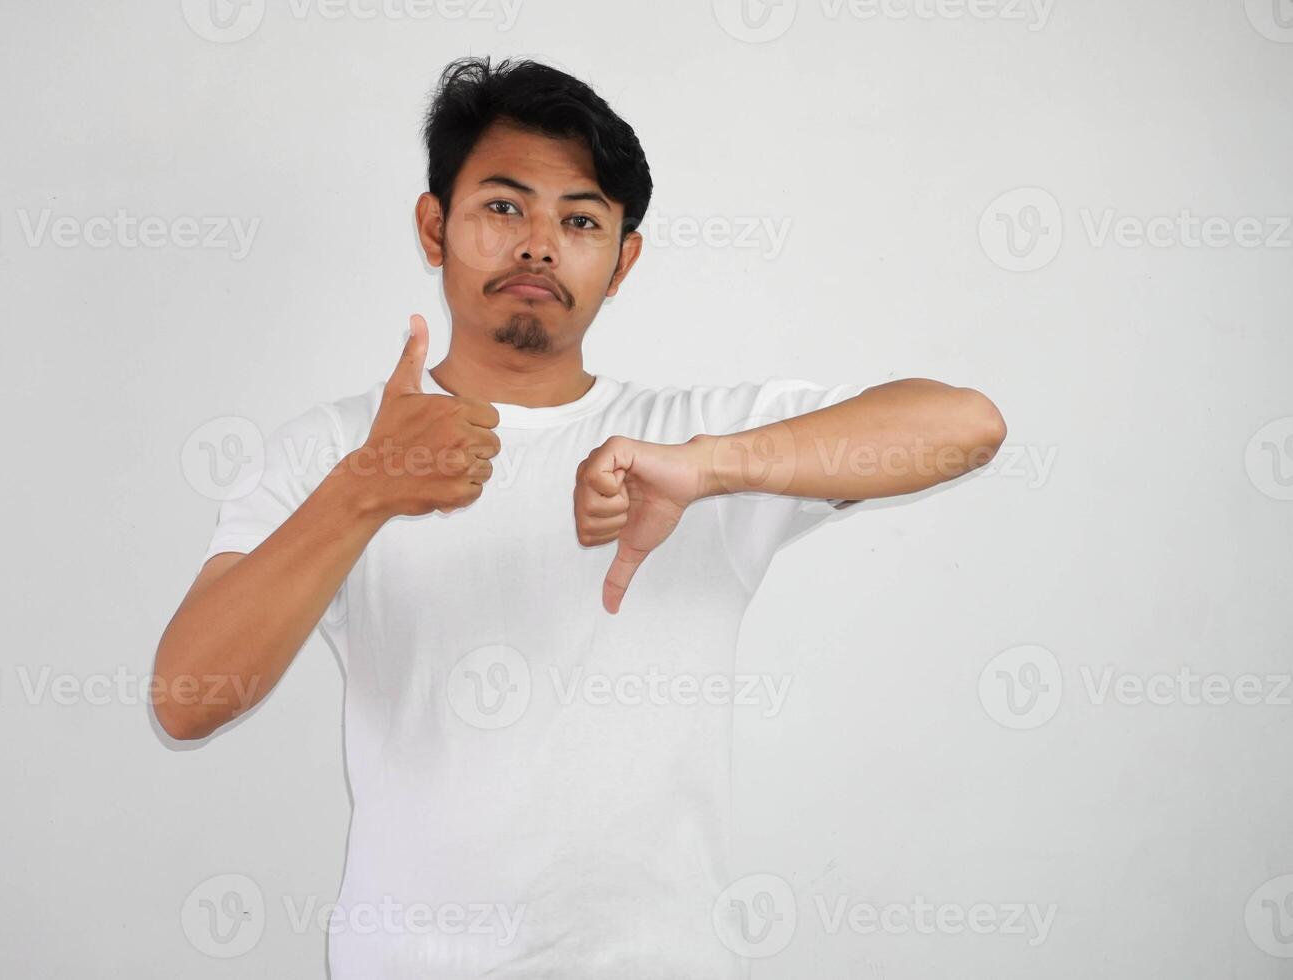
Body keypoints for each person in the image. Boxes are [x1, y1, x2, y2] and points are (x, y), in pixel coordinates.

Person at [153, 56, 1006, 979]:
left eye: (581, 220)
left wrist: (706, 468)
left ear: (622, 259)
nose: (539, 245)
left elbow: (966, 423)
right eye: (504, 207)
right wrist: (368, 485)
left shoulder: (686, 440)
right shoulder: (329, 450)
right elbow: (188, 700)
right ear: (435, 227)